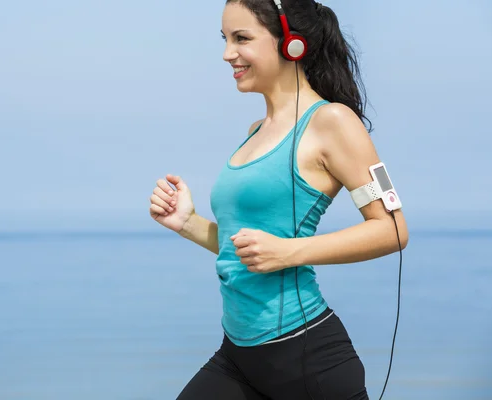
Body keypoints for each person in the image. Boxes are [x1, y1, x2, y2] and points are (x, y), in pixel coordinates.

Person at [149, 0, 409, 399]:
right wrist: (188, 223)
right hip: (238, 355)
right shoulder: (256, 130)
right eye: (225, 39)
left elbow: (392, 229)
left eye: (242, 39)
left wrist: (290, 252)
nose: (227, 54)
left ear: (291, 44)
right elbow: (252, 248)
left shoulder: (333, 122)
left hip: (307, 359)